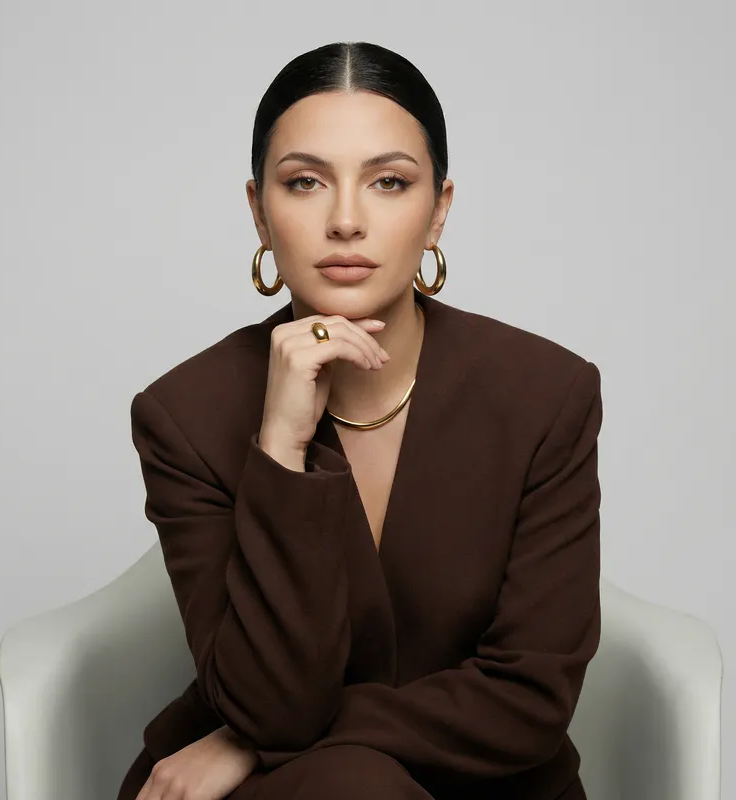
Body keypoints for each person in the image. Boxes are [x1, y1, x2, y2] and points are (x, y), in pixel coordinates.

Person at [118, 40, 603, 800]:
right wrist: (279, 448)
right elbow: (274, 702)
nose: (346, 220)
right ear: (259, 210)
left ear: (439, 209)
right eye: (305, 182)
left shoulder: (546, 394)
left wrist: (249, 744)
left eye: (388, 182)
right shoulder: (185, 415)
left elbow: (530, 699)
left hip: (494, 785)